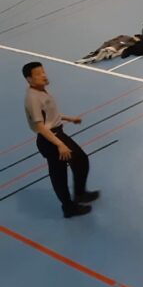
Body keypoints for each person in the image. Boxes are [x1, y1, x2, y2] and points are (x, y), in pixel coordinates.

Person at [23, 62, 99, 218]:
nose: (43, 75)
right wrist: (60, 144)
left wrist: (68, 118)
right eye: (38, 74)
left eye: (43, 72)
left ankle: (79, 194)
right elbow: (40, 127)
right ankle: (69, 208)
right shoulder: (32, 98)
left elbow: (49, 115)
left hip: (56, 134)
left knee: (81, 161)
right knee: (60, 175)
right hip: (50, 139)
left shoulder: (41, 91)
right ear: (29, 79)